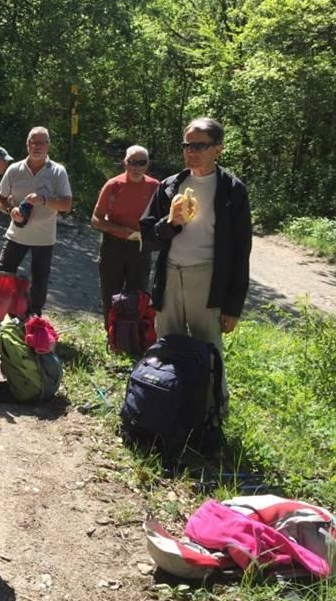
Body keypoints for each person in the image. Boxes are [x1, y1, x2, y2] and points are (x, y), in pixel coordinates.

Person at [139, 117, 252, 415]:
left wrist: (233, 305)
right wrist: (171, 223)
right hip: (171, 275)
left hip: (207, 278)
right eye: (187, 145)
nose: (191, 151)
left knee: (209, 349)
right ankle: (165, 408)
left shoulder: (232, 191)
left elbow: (241, 252)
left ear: (218, 149)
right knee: (166, 346)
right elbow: (148, 236)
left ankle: (212, 414)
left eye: (199, 145)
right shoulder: (170, 186)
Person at [0, 127, 73, 316]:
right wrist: (9, 210)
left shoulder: (58, 171)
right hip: (16, 234)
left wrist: (44, 199)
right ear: (27, 144)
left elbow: (67, 204)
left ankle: (33, 320)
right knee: (2, 275)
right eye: (33, 142)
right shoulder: (14, 169)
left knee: (39, 283)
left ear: (48, 146)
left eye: (42, 142)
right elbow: (0, 198)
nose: (37, 146)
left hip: (44, 238)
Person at [91, 145, 160, 326]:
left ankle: (133, 335)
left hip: (140, 248)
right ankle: (112, 333)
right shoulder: (113, 185)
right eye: (132, 162)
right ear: (124, 163)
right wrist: (121, 230)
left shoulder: (155, 187)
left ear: (147, 165)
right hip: (113, 246)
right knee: (110, 292)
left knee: (137, 293)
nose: (136, 167)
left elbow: (163, 218)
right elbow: (95, 220)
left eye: (141, 163)